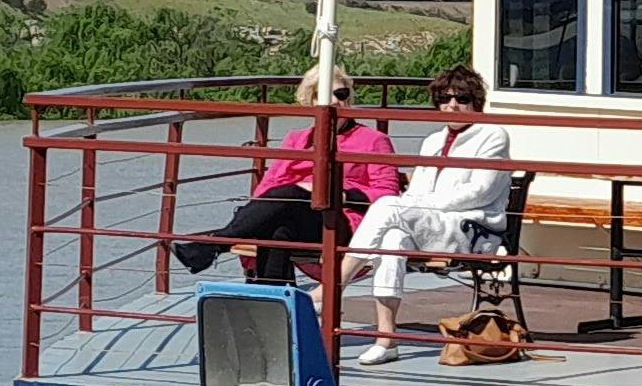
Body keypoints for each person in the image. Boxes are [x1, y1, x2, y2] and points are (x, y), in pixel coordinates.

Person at [342, 67, 514, 366]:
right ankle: (387, 339)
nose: (452, 105)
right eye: (444, 99)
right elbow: (415, 194)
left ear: (476, 101)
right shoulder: (433, 140)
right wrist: (416, 206)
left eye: (462, 98)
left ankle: (332, 286)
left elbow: (480, 193)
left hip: (472, 228)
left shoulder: (492, 135)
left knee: (388, 205)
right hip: (434, 224)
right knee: (392, 237)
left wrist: (421, 205)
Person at [173, 114, 403, 282]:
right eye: (323, 96)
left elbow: (387, 193)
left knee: (290, 194)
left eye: (341, 95)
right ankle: (279, 312)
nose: (334, 103)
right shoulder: (297, 139)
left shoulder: (373, 140)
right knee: (277, 230)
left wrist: (337, 194)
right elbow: (268, 186)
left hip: (340, 221)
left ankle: (214, 244)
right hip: (293, 215)